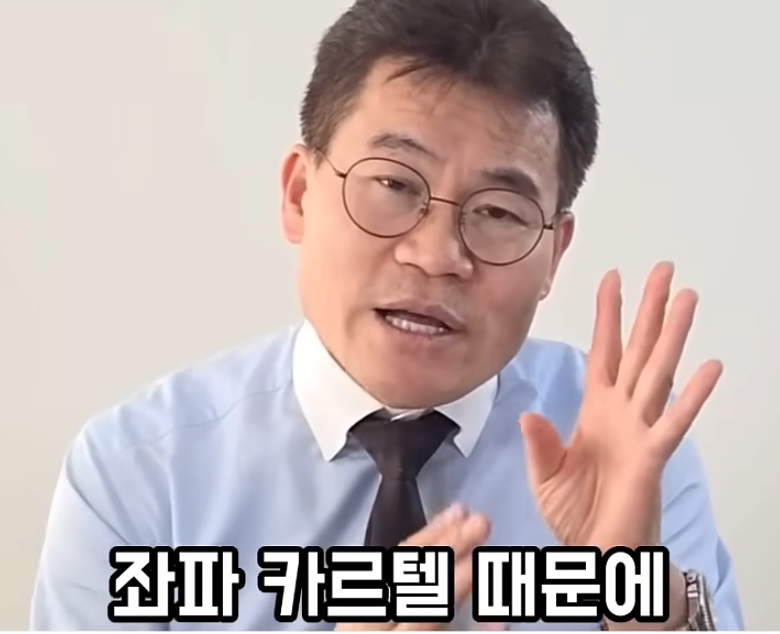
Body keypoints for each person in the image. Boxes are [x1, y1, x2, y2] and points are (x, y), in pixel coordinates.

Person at [30, 0, 743, 630]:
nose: (436, 256)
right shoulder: (138, 476)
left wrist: (640, 605)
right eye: (395, 185)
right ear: (299, 194)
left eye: (499, 213)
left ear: (554, 253)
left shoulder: (631, 457)